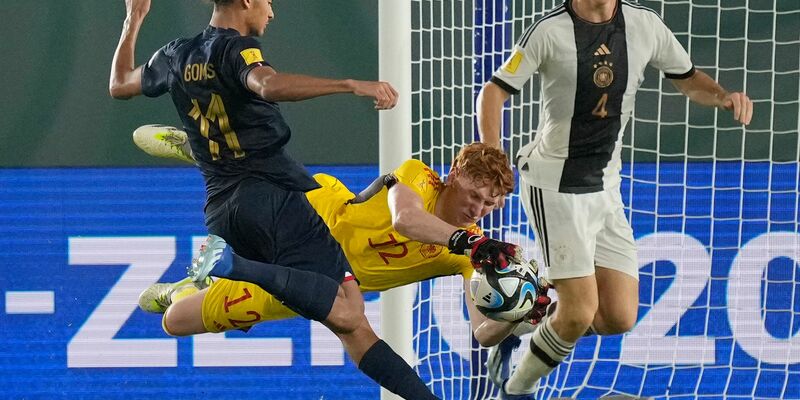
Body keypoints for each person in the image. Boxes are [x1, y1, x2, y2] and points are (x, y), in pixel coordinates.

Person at [109, 0, 449, 398]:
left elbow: (119, 86)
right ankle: (232, 265)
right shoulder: (237, 50)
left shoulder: (175, 53)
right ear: (247, 1)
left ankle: (206, 258)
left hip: (222, 211)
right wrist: (351, 84)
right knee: (351, 314)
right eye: (268, 2)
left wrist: (133, 20)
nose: (271, 12)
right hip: (271, 198)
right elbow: (267, 85)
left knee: (352, 327)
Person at [475, 0, 753, 398]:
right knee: (577, 311)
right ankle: (516, 390)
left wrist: (723, 96)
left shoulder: (645, 25)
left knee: (617, 316)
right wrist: (493, 162)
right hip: (555, 187)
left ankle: (518, 327)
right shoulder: (548, 30)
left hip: (605, 188)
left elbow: (689, 78)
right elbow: (492, 94)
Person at [137, 140, 551, 349]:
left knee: (175, 321)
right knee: (247, 181)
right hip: (313, 214)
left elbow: (481, 332)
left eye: (489, 204)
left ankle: (181, 290)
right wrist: (469, 244)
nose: (478, 210)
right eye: (474, 196)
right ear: (454, 173)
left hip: (316, 280)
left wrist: (517, 316)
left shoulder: (468, 253)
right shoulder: (418, 176)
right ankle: (204, 150)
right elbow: (406, 220)